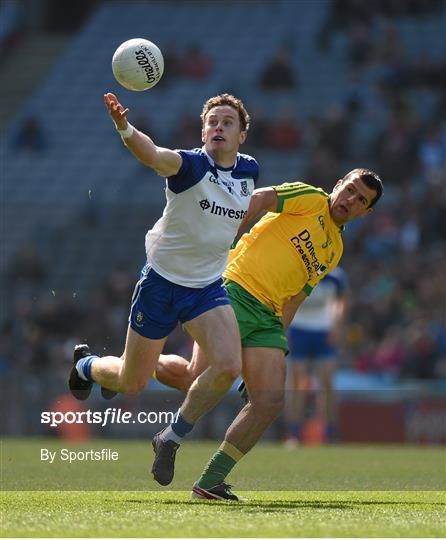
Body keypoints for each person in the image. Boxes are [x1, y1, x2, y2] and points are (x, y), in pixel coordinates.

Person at [155, 168, 383, 500]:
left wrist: (276, 341)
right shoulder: (309, 198)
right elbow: (260, 198)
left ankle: (209, 483)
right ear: (338, 185)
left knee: (270, 400)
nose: (351, 199)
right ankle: (164, 427)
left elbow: (295, 299)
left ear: (367, 211)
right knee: (202, 376)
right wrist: (227, 236)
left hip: (267, 316)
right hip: (233, 289)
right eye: (350, 190)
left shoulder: (334, 249)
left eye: (361, 199)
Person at [68, 92, 258, 486]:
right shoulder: (189, 165)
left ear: (242, 134)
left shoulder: (249, 171)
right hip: (160, 284)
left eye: (227, 122)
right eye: (212, 122)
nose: (218, 127)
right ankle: (85, 366)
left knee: (226, 366)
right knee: (131, 383)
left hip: (205, 288)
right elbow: (153, 153)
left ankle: (170, 437)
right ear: (203, 131)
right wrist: (124, 127)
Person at [284, 267, 348, 446]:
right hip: (299, 330)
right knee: (297, 384)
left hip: (324, 331)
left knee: (327, 384)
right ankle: (294, 433)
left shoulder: (335, 276)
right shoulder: (298, 271)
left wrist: (337, 324)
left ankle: (328, 433)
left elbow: (340, 301)